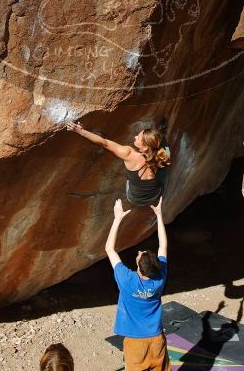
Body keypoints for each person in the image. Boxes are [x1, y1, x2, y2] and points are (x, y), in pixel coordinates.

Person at [105, 197, 171, 371]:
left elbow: (109, 249)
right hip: (156, 338)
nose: (140, 251)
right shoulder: (160, 277)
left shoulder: (127, 280)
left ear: (139, 267)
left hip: (135, 343)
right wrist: (159, 215)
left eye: (140, 254)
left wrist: (117, 218)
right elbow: (163, 245)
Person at [66, 122, 171, 206]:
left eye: (138, 138)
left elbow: (104, 143)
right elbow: (162, 151)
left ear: (144, 147)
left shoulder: (130, 155)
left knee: (129, 182)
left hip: (135, 199)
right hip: (156, 195)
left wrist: (81, 131)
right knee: (165, 158)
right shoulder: (162, 156)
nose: (135, 137)